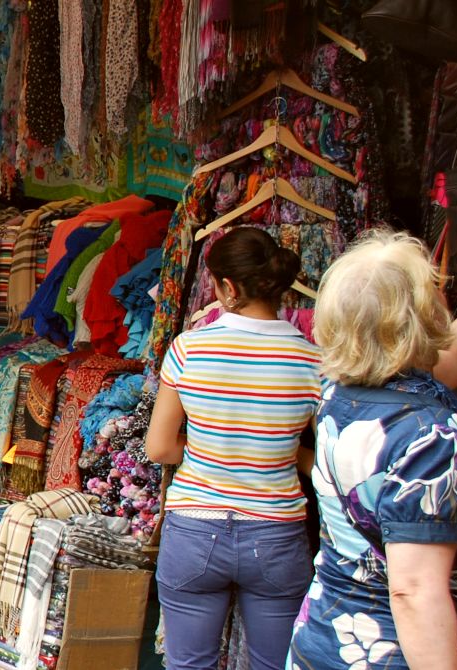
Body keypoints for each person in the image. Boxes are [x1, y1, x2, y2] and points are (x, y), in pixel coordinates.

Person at [285, 231, 457, 670]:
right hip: (395, 654)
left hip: (327, 639)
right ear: (424, 316)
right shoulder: (433, 437)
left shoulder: (341, 393)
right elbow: (414, 592)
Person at [141, 228, 321, 669]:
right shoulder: (314, 360)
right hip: (277, 535)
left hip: (195, 530)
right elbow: (328, 465)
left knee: (188, 665)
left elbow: (160, 447)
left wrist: (209, 445)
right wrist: (283, 451)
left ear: (228, 287)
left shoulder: (189, 349)